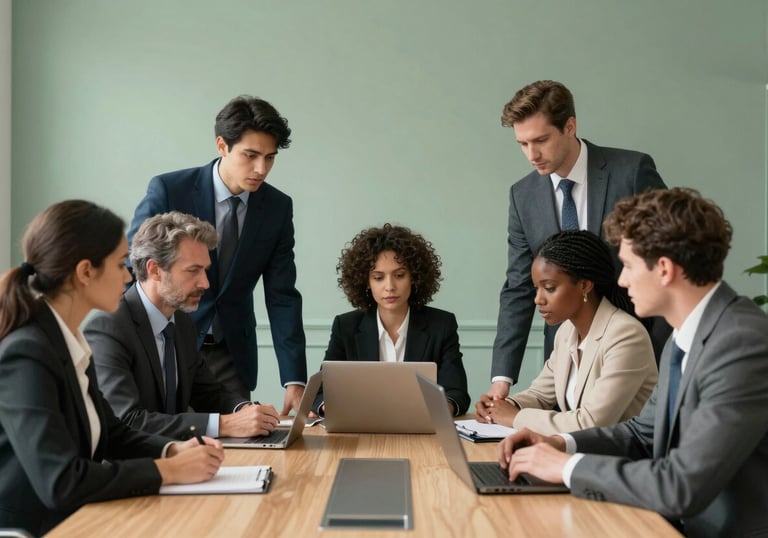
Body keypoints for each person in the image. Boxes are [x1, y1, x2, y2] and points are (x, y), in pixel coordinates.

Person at [498, 188, 768, 537]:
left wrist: (567, 467)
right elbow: (641, 434)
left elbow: (681, 487)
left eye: (627, 265)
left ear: (665, 270)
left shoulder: (741, 344)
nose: (621, 280)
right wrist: (559, 444)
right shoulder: (684, 335)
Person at [0, 200, 224, 536]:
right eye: (120, 264)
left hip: (81, 518)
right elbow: (62, 481)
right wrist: (168, 470)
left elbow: (111, 431)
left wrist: (171, 448)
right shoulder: (27, 353)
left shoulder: (67, 338)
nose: (127, 275)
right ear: (85, 271)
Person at [488, 80, 668, 402]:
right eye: (522, 144)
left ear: (570, 126)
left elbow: (668, 259)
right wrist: (502, 380)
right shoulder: (522, 195)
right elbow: (518, 285)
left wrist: (662, 357)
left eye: (540, 140)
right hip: (567, 355)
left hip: (639, 347)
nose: (532, 154)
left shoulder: (632, 172)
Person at [127, 95, 307, 414]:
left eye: (270, 157)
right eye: (250, 155)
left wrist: (294, 378)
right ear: (222, 145)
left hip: (231, 354)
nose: (261, 168)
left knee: (242, 441)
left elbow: (282, 295)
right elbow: (135, 267)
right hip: (165, 341)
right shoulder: (170, 190)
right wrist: (129, 341)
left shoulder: (278, 208)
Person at [85, 211, 281, 439]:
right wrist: (225, 424)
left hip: (183, 459)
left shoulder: (181, 323)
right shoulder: (109, 329)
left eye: (205, 271)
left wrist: (245, 411)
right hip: (135, 468)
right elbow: (128, 419)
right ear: (154, 270)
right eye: (193, 271)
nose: (205, 283)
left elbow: (208, 393)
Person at [475, 230, 657, 435]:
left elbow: (591, 423)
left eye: (549, 288)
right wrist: (502, 405)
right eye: (536, 288)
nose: (538, 299)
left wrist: (514, 417)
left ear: (585, 285)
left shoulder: (626, 336)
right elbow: (541, 396)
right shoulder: (566, 332)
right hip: (580, 457)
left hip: (622, 462)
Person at [314, 224, 470, 416]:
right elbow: (320, 392)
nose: (389, 286)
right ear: (366, 282)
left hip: (422, 433)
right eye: (378, 277)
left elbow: (458, 394)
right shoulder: (345, 326)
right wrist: (329, 407)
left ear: (414, 277)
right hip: (359, 431)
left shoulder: (441, 324)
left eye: (399, 275)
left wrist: (440, 409)